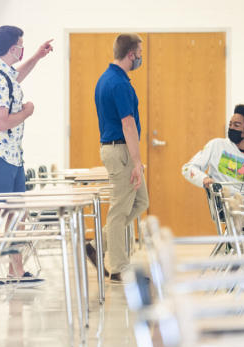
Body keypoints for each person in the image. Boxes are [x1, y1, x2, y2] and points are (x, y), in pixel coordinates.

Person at [0, 25, 53, 284]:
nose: (22, 49)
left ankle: (17, 271)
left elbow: (16, 76)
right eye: (21, 45)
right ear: (13, 47)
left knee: (16, 212)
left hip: (10, 154)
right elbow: (1, 122)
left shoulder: (3, 74)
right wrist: (27, 112)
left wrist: (37, 56)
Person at [86, 33, 149, 283]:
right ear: (131, 54)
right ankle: (119, 268)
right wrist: (136, 161)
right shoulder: (118, 83)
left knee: (140, 201)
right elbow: (128, 123)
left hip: (118, 149)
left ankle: (96, 245)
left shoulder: (108, 78)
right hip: (120, 150)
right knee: (118, 210)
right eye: (140, 53)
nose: (141, 58)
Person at [182, 104, 244, 193]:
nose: (231, 128)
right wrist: (204, 179)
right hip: (223, 202)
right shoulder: (216, 145)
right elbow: (188, 168)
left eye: (236, 125)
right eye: (230, 124)